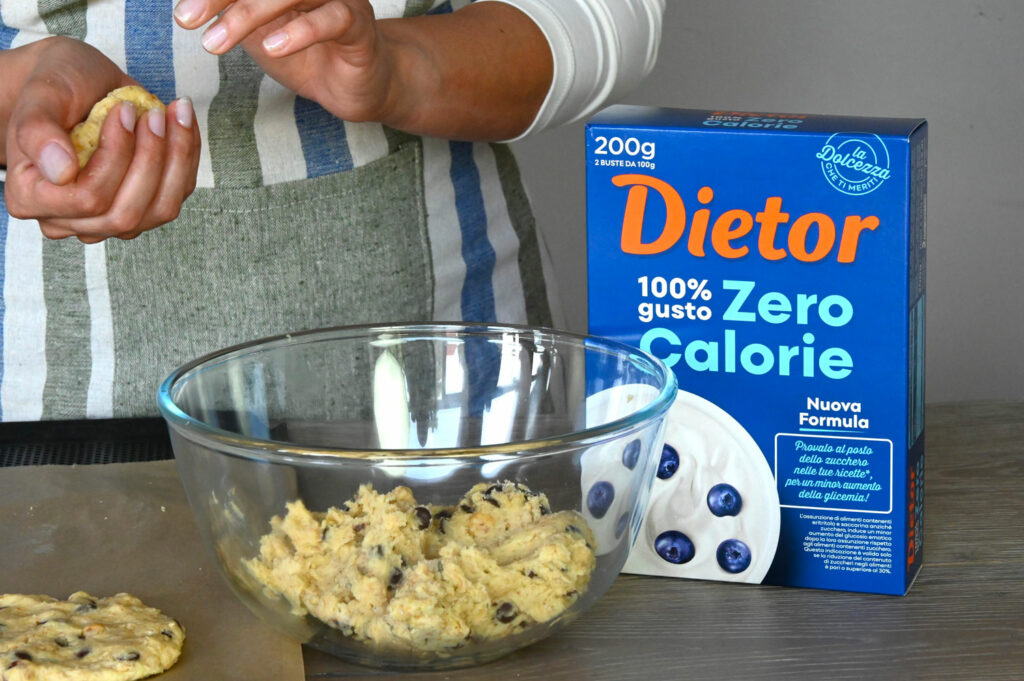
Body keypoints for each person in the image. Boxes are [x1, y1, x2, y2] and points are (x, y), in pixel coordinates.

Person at [0, 0, 665, 422]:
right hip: (48, 407)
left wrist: (399, 69)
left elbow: (611, 13)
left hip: (461, 384)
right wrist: (18, 89)